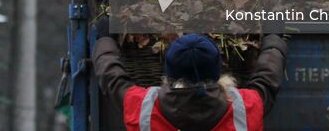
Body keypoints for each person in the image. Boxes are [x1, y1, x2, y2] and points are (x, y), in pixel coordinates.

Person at [94, 29, 287, 131]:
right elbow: (268, 78)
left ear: (169, 73)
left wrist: (104, 39)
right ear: (217, 70)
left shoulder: (143, 107)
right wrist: (273, 39)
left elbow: (112, 78)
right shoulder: (245, 108)